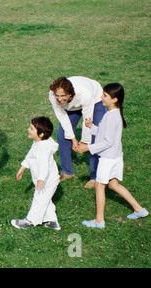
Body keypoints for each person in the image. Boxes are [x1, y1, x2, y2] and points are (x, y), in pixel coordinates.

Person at [75, 83, 148, 228]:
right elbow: (105, 135)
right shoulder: (112, 114)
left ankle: (99, 221)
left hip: (108, 158)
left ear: (114, 100)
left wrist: (88, 148)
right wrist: (92, 128)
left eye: (105, 96)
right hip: (116, 157)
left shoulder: (111, 117)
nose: (102, 97)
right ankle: (139, 210)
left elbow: (107, 142)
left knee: (99, 185)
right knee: (113, 184)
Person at [49, 76, 106, 188]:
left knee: (96, 136)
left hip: (94, 100)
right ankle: (67, 172)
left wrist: (84, 142)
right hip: (72, 107)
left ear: (70, 94)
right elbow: (63, 117)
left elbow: (87, 119)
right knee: (61, 134)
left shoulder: (85, 94)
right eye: (57, 96)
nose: (59, 99)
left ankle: (95, 177)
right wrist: (73, 139)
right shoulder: (52, 96)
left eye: (63, 96)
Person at [11, 117, 61, 230]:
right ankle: (52, 221)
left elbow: (44, 165)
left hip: (47, 180)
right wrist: (23, 167)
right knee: (45, 199)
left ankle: (30, 221)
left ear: (41, 134)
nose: (28, 129)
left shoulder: (43, 148)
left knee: (39, 199)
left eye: (32, 128)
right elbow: (30, 155)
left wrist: (41, 179)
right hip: (46, 180)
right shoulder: (38, 143)